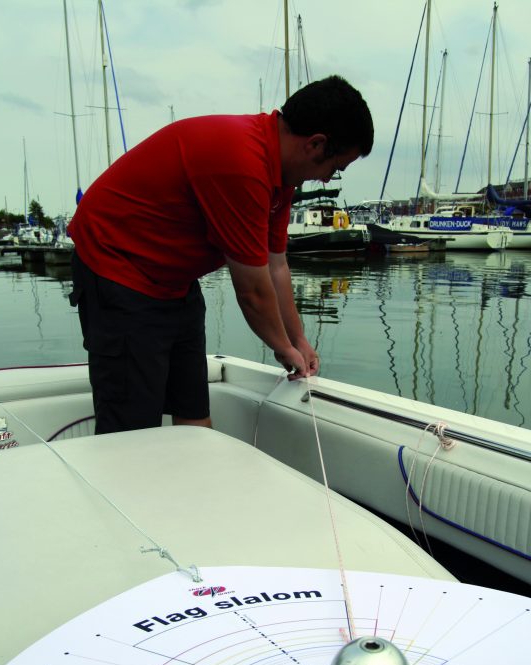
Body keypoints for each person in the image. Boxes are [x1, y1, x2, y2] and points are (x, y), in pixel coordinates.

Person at [68, 75, 373, 434]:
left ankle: (194, 484)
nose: (326, 180)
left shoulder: (282, 179)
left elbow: (277, 267)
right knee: (132, 428)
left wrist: (298, 339)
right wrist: (282, 349)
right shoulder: (242, 162)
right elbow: (253, 291)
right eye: (334, 168)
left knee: (194, 410)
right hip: (117, 270)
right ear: (316, 144)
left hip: (174, 283)